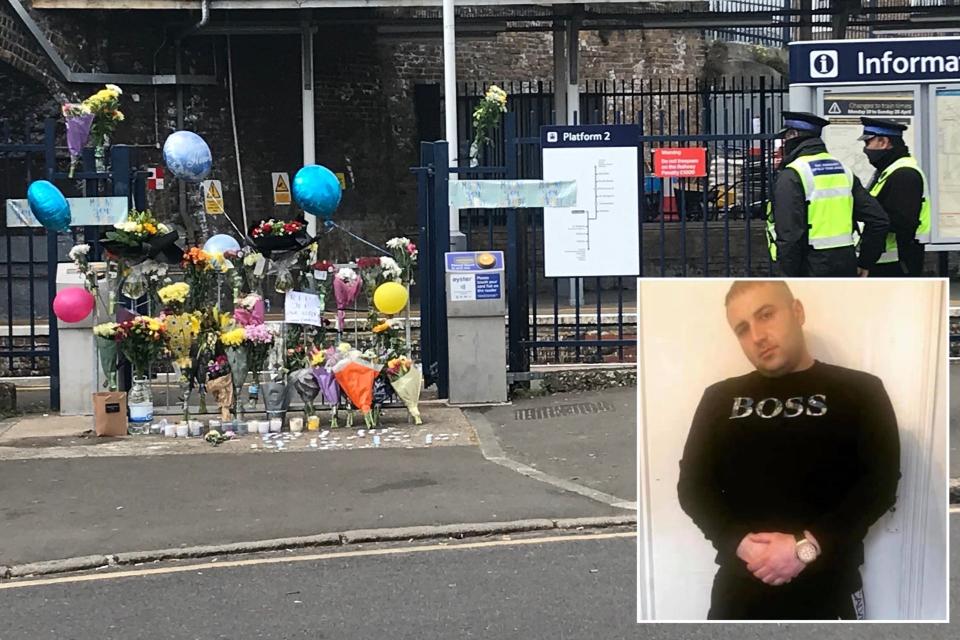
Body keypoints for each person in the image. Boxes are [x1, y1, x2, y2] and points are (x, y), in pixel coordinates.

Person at [677, 280, 900, 620]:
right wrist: (738, 542)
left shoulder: (860, 390)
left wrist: (804, 548)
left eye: (766, 315)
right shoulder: (718, 399)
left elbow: (881, 484)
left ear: (797, 312)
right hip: (741, 588)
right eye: (742, 329)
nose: (757, 336)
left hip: (830, 584)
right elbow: (692, 486)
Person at [765, 112, 890, 277]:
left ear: (793, 135)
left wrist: (790, 276)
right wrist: (865, 261)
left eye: (786, 138)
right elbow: (879, 220)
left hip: (809, 267)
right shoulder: (843, 171)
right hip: (846, 264)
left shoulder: (793, 174)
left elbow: (790, 235)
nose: (784, 144)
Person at [859, 117, 930, 277]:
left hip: (896, 264)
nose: (865, 149)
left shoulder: (904, 174)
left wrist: (866, 259)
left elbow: (899, 222)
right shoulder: (889, 171)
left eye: (867, 143)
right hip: (887, 261)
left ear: (883, 142)